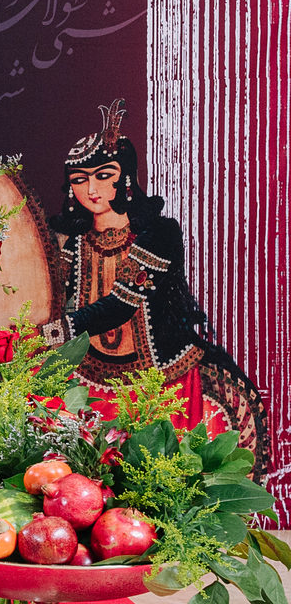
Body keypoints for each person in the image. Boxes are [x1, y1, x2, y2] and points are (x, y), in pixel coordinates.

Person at [43, 100, 267, 467]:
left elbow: (121, 305)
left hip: (160, 379)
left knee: (167, 472)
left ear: (125, 177)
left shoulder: (159, 234)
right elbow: (50, 296)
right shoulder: (72, 242)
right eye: (79, 180)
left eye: (104, 175)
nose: (91, 189)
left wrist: (60, 329)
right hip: (88, 379)